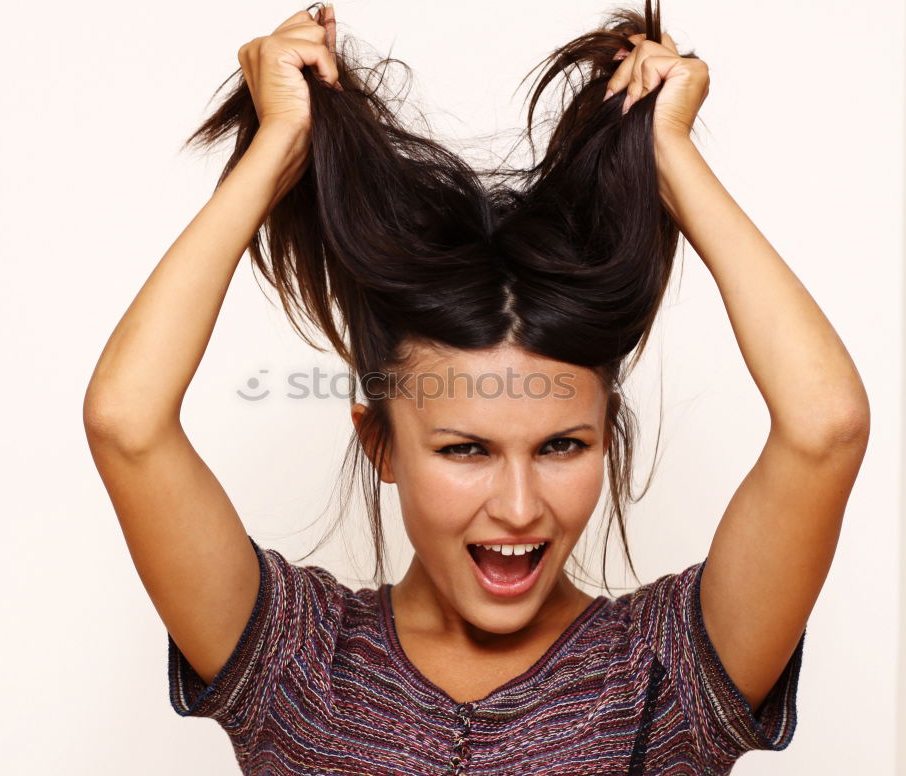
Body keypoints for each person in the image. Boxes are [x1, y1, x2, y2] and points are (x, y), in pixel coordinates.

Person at [82, 1, 870, 773]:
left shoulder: (672, 678)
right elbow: (126, 421)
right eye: (466, 450)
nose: (520, 507)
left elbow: (825, 426)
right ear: (380, 442)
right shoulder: (294, 666)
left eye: (563, 444)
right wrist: (279, 145)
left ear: (608, 434)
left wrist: (671, 156)